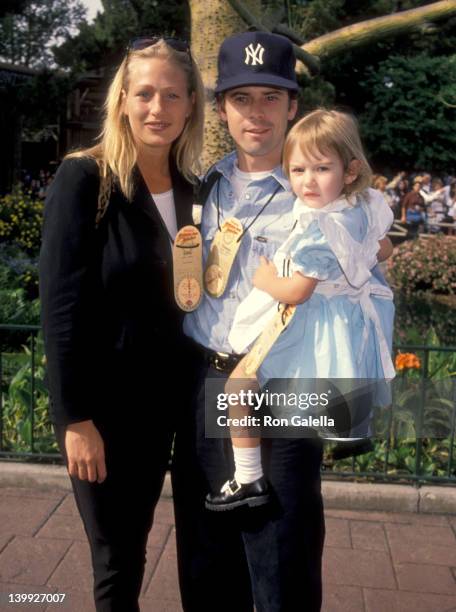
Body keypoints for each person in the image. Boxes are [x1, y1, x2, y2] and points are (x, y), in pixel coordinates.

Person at [172, 31, 392, 612]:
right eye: (241, 98)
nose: (257, 112)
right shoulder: (202, 181)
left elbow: (369, 274)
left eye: (272, 97)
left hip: (283, 382)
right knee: (205, 554)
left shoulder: (323, 199)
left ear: (293, 106)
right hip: (206, 379)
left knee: (281, 554)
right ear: (221, 108)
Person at [39, 37, 204, 611]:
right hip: (106, 413)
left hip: (173, 409)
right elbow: (59, 310)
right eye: (145, 94)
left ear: (190, 106)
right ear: (124, 101)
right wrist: (74, 418)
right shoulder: (86, 180)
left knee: (152, 547)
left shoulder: (194, 190)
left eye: (171, 95)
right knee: (116, 559)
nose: (157, 108)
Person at [206, 109, 395, 510]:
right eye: (297, 170)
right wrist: (353, 266)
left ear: (350, 170)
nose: (308, 181)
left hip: (302, 321)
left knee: (237, 386)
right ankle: (347, 428)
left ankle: (248, 476)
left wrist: (264, 281)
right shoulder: (360, 207)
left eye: (321, 168)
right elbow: (384, 249)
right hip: (345, 319)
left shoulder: (320, 228)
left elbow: (297, 291)